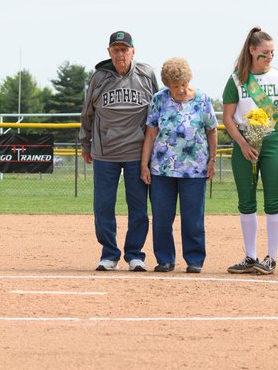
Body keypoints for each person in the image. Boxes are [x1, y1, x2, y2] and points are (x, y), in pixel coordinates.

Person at [80, 31, 159, 272]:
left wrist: (154, 151)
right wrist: (85, 143)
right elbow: (87, 114)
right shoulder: (99, 78)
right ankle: (109, 254)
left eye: (125, 49)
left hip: (137, 153)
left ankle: (135, 254)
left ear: (133, 51)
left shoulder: (146, 74)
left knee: (138, 207)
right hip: (106, 153)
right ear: (109, 52)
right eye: (116, 50)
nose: (120, 54)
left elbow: (157, 112)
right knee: (103, 206)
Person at [222, 28, 278, 275]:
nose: (269, 57)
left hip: (274, 140)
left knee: (273, 200)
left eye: (272, 53)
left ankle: (271, 258)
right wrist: (242, 144)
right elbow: (228, 118)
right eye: (264, 53)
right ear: (252, 51)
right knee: (246, 200)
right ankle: (250, 256)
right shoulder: (236, 80)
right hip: (244, 141)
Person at [140, 58, 218, 273]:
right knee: (162, 218)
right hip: (162, 169)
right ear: (167, 85)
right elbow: (151, 134)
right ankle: (165, 259)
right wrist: (144, 165)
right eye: (176, 86)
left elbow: (212, 130)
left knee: (193, 218)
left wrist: (212, 159)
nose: (181, 89)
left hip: (195, 169)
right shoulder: (159, 100)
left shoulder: (202, 99)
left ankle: (195, 260)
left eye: (184, 84)